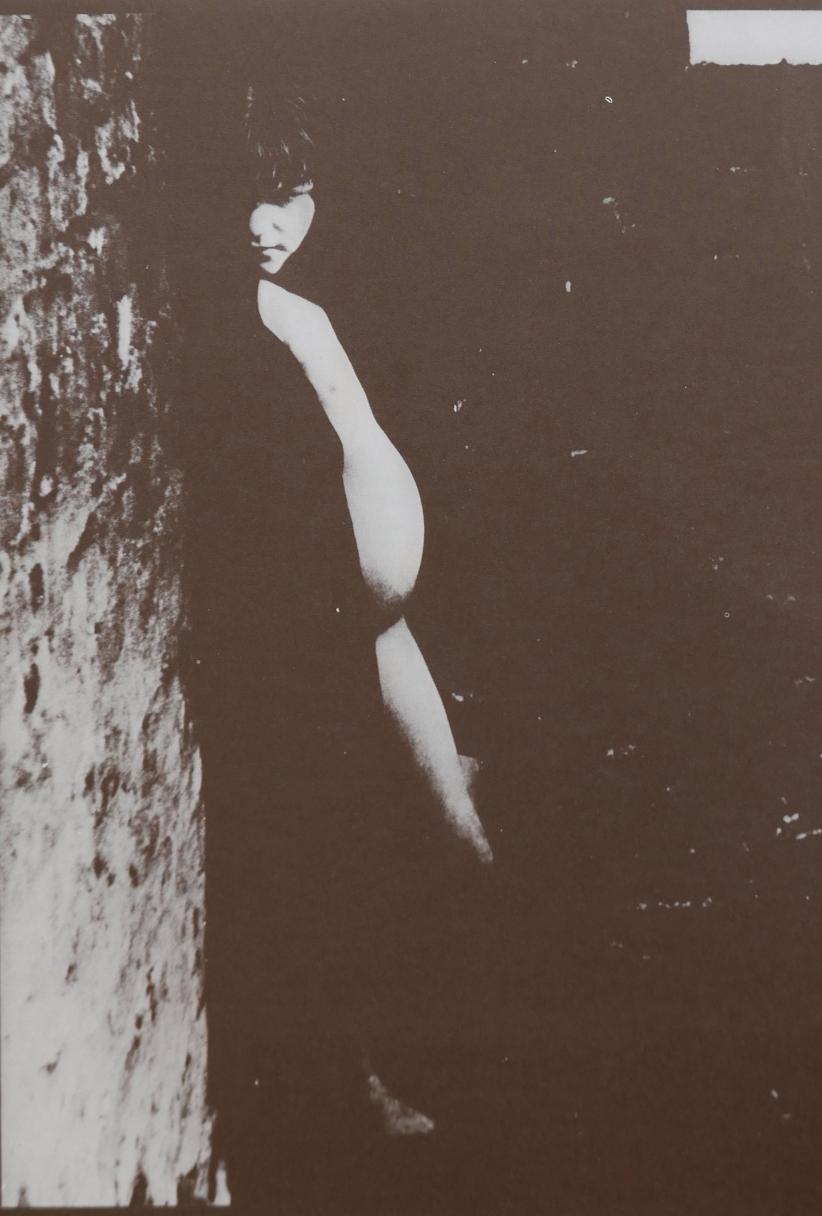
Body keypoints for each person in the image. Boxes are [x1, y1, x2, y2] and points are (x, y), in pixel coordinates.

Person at [181, 82, 496, 1209]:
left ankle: (492, 1019)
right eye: (243, 195)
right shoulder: (235, 327)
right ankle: (357, 1084)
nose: (263, 222)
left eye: (287, 195)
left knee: (460, 835)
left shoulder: (297, 306)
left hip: (378, 621)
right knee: (336, 858)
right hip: (323, 630)